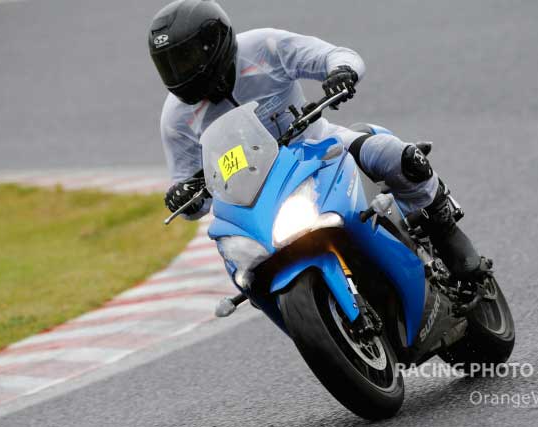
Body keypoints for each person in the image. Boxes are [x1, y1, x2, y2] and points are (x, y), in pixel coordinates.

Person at [148, 0, 485, 281]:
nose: (179, 73)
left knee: (397, 157)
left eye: (185, 59)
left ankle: (443, 226)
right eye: (169, 66)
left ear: (214, 43)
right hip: (257, 198)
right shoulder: (175, 118)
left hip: (320, 149)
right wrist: (184, 196)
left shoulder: (263, 48)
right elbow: (192, 196)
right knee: (244, 267)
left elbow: (336, 56)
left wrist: (341, 72)